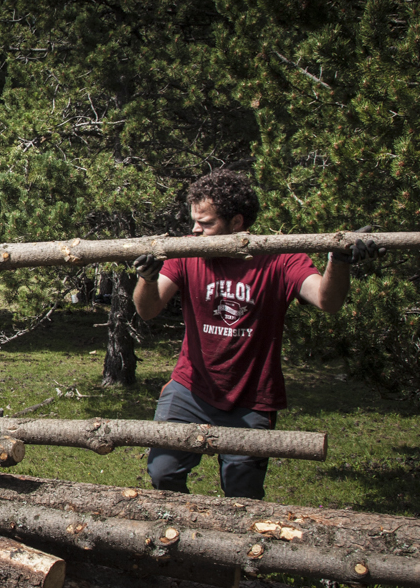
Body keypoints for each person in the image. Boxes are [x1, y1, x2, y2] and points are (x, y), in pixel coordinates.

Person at [132, 169, 380, 498]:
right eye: (194, 221)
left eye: (205, 223)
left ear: (236, 223)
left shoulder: (279, 257)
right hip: (190, 388)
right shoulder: (188, 251)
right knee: (162, 473)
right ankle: (182, 537)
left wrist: (339, 259)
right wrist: (148, 279)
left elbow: (328, 300)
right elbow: (147, 310)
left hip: (252, 398)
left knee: (242, 492)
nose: (195, 229)